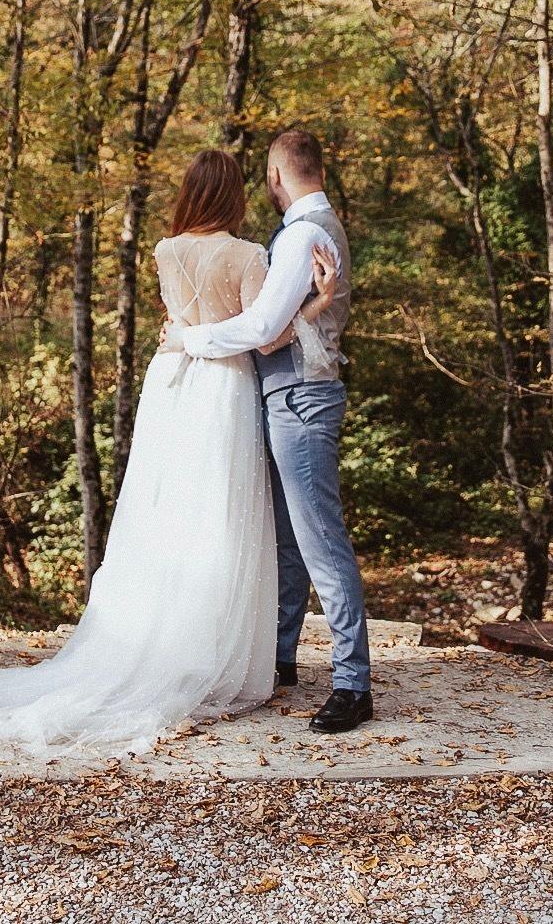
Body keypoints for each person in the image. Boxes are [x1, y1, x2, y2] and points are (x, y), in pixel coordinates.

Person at [0, 149, 336, 753]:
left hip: (170, 383)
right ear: (233, 195)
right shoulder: (248, 254)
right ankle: (208, 651)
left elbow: (177, 319)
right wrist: (318, 303)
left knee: (164, 512)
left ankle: (152, 640)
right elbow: (268, 338)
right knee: (220, 517)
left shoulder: (165, 250)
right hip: (223, 386)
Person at [174, 129, 373, 735]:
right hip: (293, 392)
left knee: (319, 539)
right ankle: (281, 655)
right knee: (289, 538)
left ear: (277, 176)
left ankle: (352, 683)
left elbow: (264, 327)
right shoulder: (317, 229)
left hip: (302, 398)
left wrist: (192, 339)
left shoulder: (303, 235)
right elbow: (290, 323)